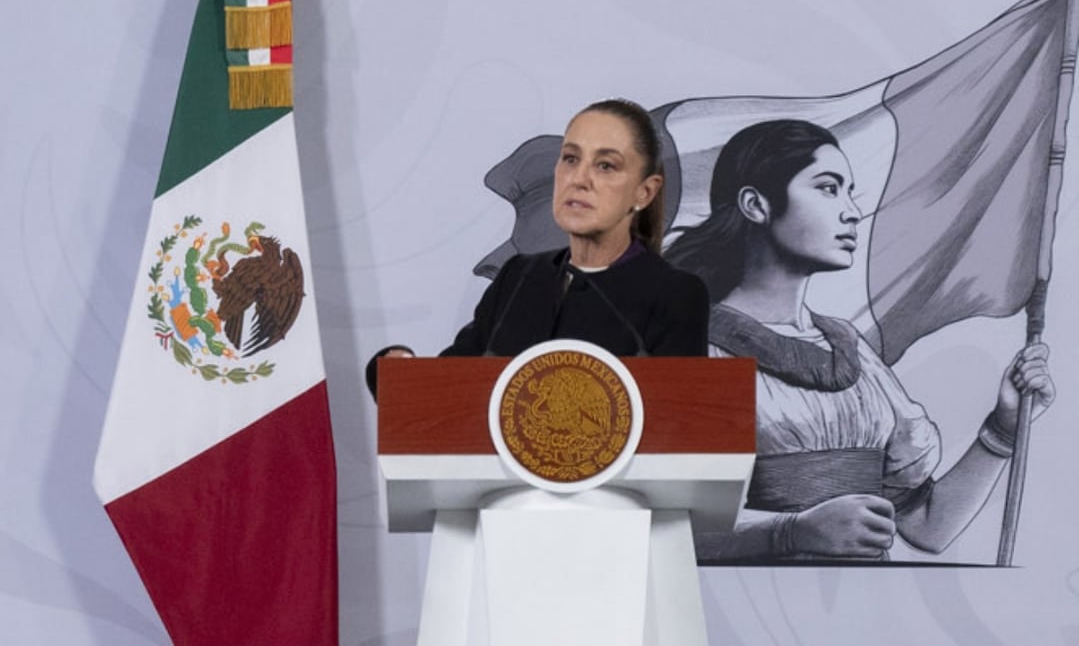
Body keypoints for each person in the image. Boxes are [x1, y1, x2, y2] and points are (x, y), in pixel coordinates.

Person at [665, 119, 1055, 561]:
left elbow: (928, 526)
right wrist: (790, 533)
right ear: (756, 204)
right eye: (828, 188)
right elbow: (667, 536)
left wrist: (1004, 425)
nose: (852, 211)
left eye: (850, 192)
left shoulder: (853, 353)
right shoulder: (695, 345)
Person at [367, 99, 710, 397]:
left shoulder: (675, 294)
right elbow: (449, 389)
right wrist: (398, 377)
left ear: (644, 192)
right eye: (571, 159)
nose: (579, 178)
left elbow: (678, 424)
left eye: (605, 165)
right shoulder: (518, 278)